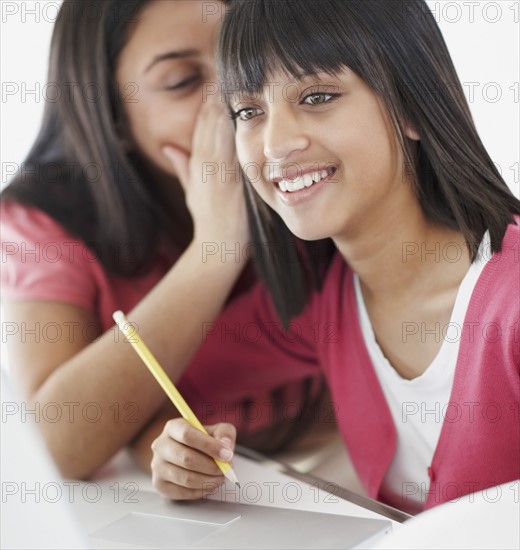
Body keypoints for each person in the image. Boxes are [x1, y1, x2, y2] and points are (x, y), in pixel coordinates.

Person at [150, 0, 519, 513]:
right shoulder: (324, 295)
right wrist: (182, 454)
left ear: (412, 106)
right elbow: (152, 394)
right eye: (249, 112)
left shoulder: (511, 302)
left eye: (318, 95)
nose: (275, 144)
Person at [0, 0, 328, 492]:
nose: (233, 96)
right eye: (182, 81)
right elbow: (53, 446)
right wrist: (215, 248)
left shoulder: (305, 166)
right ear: (111, 118)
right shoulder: (44, 219)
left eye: (241, 56)